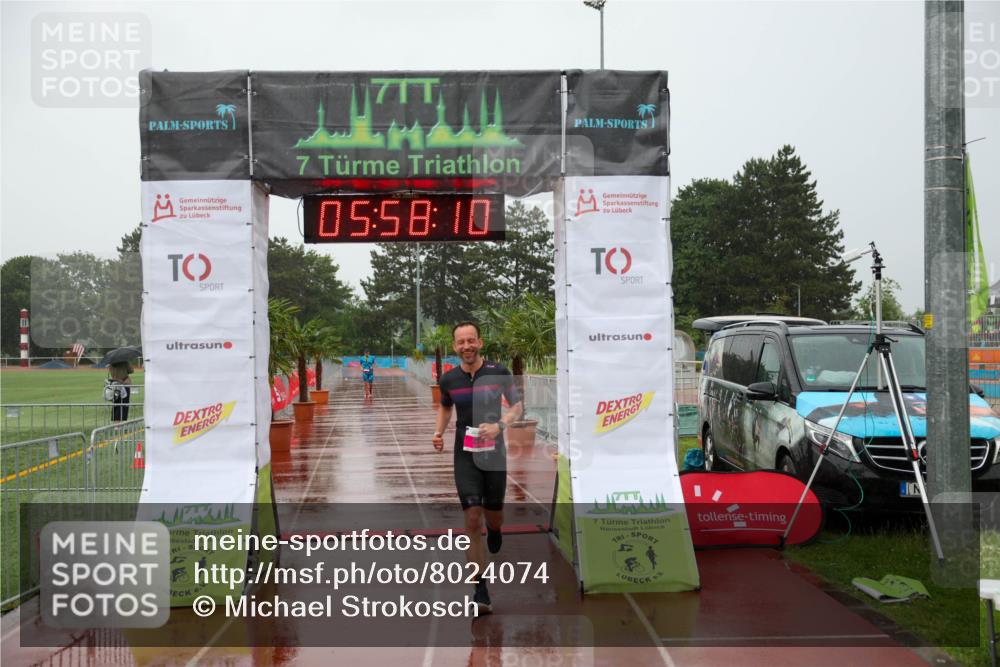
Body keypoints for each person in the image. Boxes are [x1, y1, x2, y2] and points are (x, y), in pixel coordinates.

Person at [432, 322, 522, 614]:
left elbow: (517, 407)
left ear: (480, 343)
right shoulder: (449, 379)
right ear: (454, 346)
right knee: (472, 518)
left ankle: (495, 530)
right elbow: (446, 407)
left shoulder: (498, 372)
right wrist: (439, 432)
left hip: (494, 455)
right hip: (465, 454)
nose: (466, 346)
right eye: (461, 342)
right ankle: (480, 589)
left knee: (493, 515)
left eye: (471, 340)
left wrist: (500, 425)